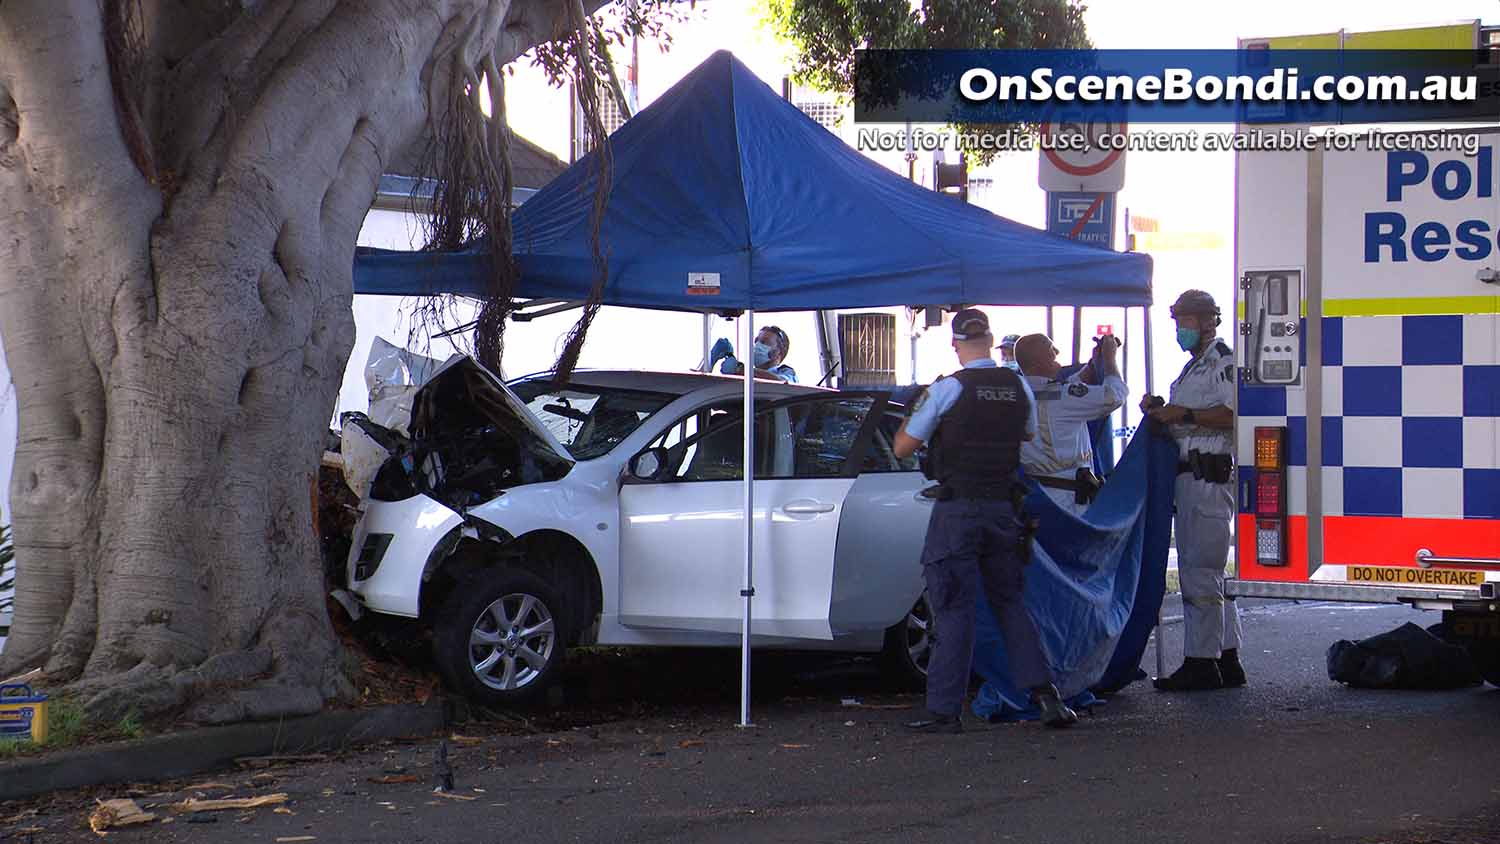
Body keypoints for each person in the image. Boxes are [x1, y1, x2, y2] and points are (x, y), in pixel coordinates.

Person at [892, 308, 1078, 732]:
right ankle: (1047, 698)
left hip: (958, 510)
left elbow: (904, 446)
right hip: (1003, 511)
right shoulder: (1017, 386)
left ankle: (944, 711)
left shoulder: (948, 388)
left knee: (954, 609)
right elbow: (1028, 434)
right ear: (992, 342)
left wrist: (921, 420)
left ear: (955, 344)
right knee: (1010, 604)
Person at [1140, 289, 1245, 692]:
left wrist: (1183, 413)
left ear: (1207, 321)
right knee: (1212, 574)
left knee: (1200, 572)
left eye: (1184, 321)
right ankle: (1227, 657)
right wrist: (1163, 410)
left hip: (1208, 479)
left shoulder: (1223, 362)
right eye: (1177, 321)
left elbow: (1237, 414)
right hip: (1192, 477)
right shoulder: (1193, 368)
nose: (1179, 329)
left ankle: (1202, 663)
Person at [1013, 333, 1128, 516]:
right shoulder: (1061, 397)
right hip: (1068, 500)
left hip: (1034, 495)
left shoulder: (1020, 395)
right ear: (1039, 362)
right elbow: (1113, 396)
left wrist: (1092, 364)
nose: (1057, 352)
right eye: (1051, 349)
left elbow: (1067, 388)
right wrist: (1109, 361)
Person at [709, 325, 798, 383]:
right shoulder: (746, 376)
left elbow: (782, 382)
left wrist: (739, 369)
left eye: (764, 342)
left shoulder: (787, 372)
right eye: (756, 341)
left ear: (779, 351)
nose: (757, 346)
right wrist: (711, 360)